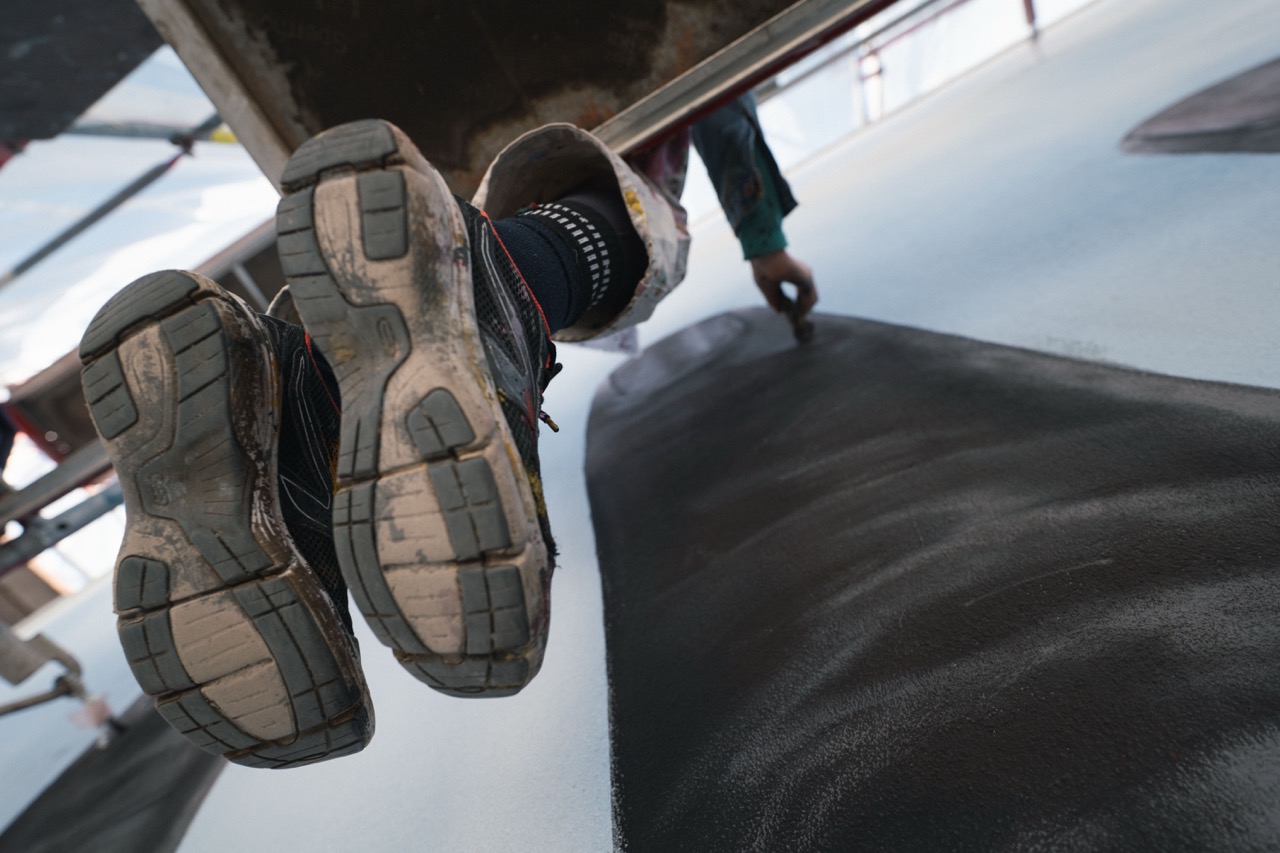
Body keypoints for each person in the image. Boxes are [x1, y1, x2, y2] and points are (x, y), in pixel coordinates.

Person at [77, 99, 816, 768]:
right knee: (649, 227)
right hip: (563, 130)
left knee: (371, 275)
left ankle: (298, 416)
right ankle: (494, 291)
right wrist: (765, 239)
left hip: (412, 135)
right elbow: (721, 107)